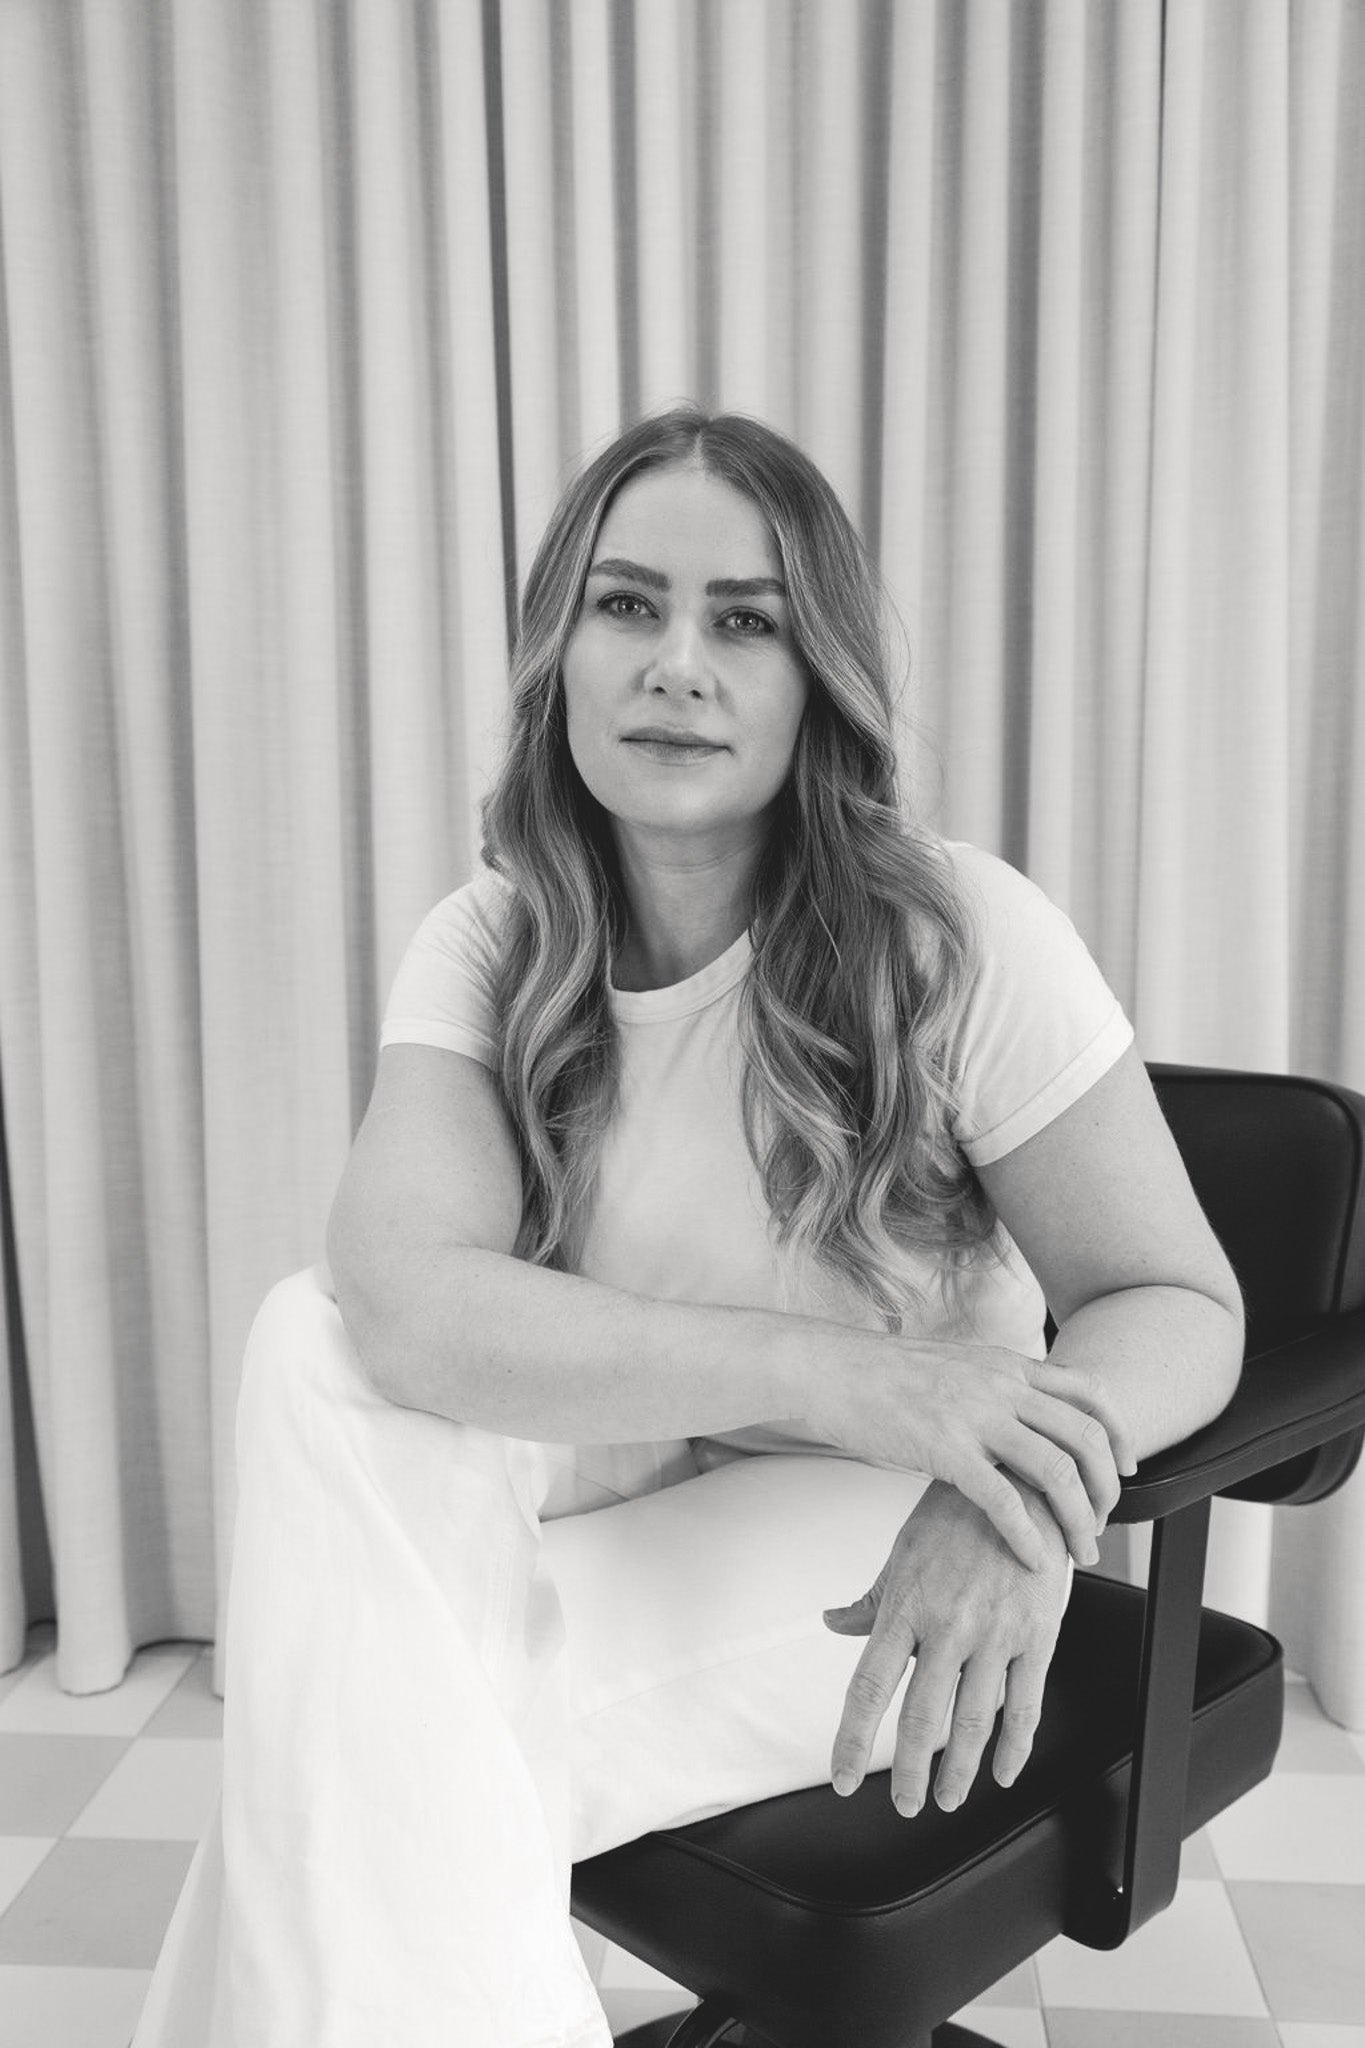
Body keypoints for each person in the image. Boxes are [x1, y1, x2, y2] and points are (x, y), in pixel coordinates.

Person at [132, 406, 1244, 2048]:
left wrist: (1004, 1499)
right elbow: (403, 1306)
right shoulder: (493, 941)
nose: (676, 664)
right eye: (626, 603)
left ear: (820, 679)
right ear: (558, 652)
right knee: (310, 1339)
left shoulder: (963, 939)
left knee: (343, 1754)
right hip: (645, 1461)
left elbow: (1174, 1297)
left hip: (868, 1525)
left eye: (746, 622)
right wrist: (861, 1375)